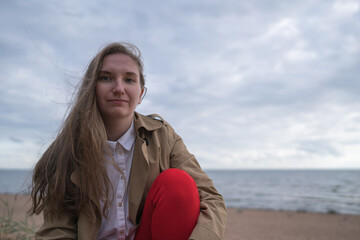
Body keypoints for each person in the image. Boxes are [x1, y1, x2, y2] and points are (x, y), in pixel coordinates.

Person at [30, 42, 226, 240]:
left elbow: (211, 198)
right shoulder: (68, 149)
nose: (119, 88)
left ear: (141, 94)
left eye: (129, 80)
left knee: (177, 183)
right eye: (106, 78)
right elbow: (57, 230)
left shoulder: (163, 136)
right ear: (92, 88)